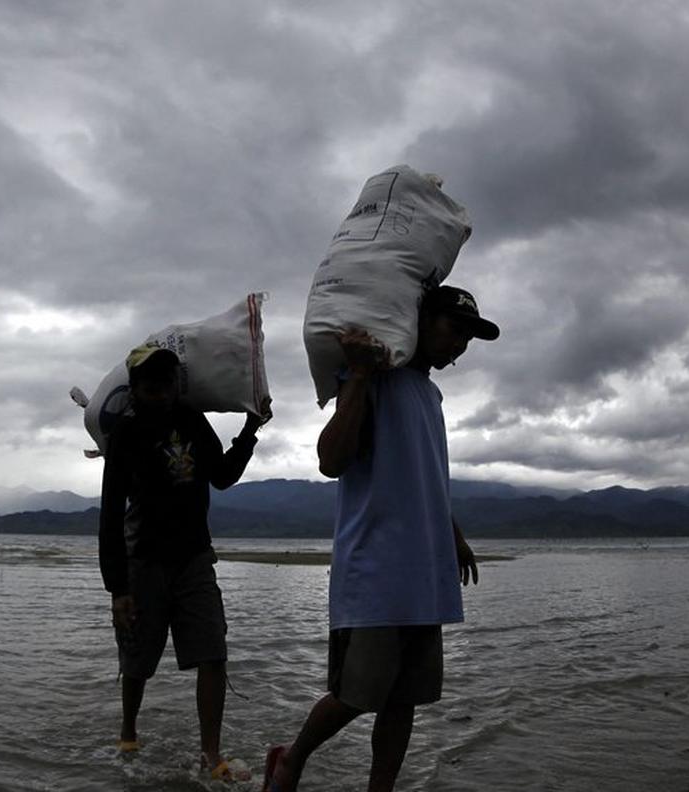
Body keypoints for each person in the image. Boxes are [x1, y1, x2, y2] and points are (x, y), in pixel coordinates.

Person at [263, 284, 496, 792]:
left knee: (404, 698)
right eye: (453, 329)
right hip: (374, 568)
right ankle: (291, 759)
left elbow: (426, 478)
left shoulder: (430, 394)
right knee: (356, 694)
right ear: (421, 320)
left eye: (468, 337)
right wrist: (362, 374)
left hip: (425, 571)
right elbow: (330, 459)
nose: (459, 344)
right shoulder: (373, 377)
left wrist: (453, 534)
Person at [98, 344, 271, 779]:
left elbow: (223, 476)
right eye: (152, 386)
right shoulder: (125, 433)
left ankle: (210, 755)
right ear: (135, 389)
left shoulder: (193, 420)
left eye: (168, 385)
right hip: (144, 563)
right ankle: (128, 731)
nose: (161, 393)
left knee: (213, 652)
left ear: (177, 385)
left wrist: (250, 429)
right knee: (137, 659)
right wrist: (117, 589)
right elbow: (110, 512)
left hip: (195, 559)